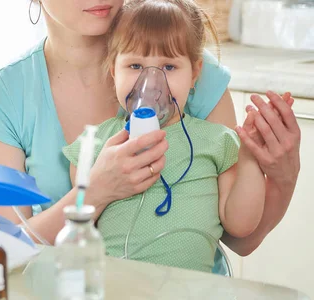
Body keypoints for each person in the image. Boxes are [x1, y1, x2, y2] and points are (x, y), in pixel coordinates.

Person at [0, 0, 301, 260]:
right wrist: (95, 192)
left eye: (167, 66)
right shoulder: (1, 100)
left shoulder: (187, 71)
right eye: (134, 66)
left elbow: (240, 238)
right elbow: (3, 256)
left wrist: (283, 175)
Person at [61, 0, 266, 272]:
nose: (151, 82)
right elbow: (79, 226)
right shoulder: (95, 144)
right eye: (135, 66)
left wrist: (251, 157)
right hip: (117, 287)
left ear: (194, 74)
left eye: (169, 67)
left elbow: (240, 225)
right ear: (114, 71)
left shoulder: (218, 142)